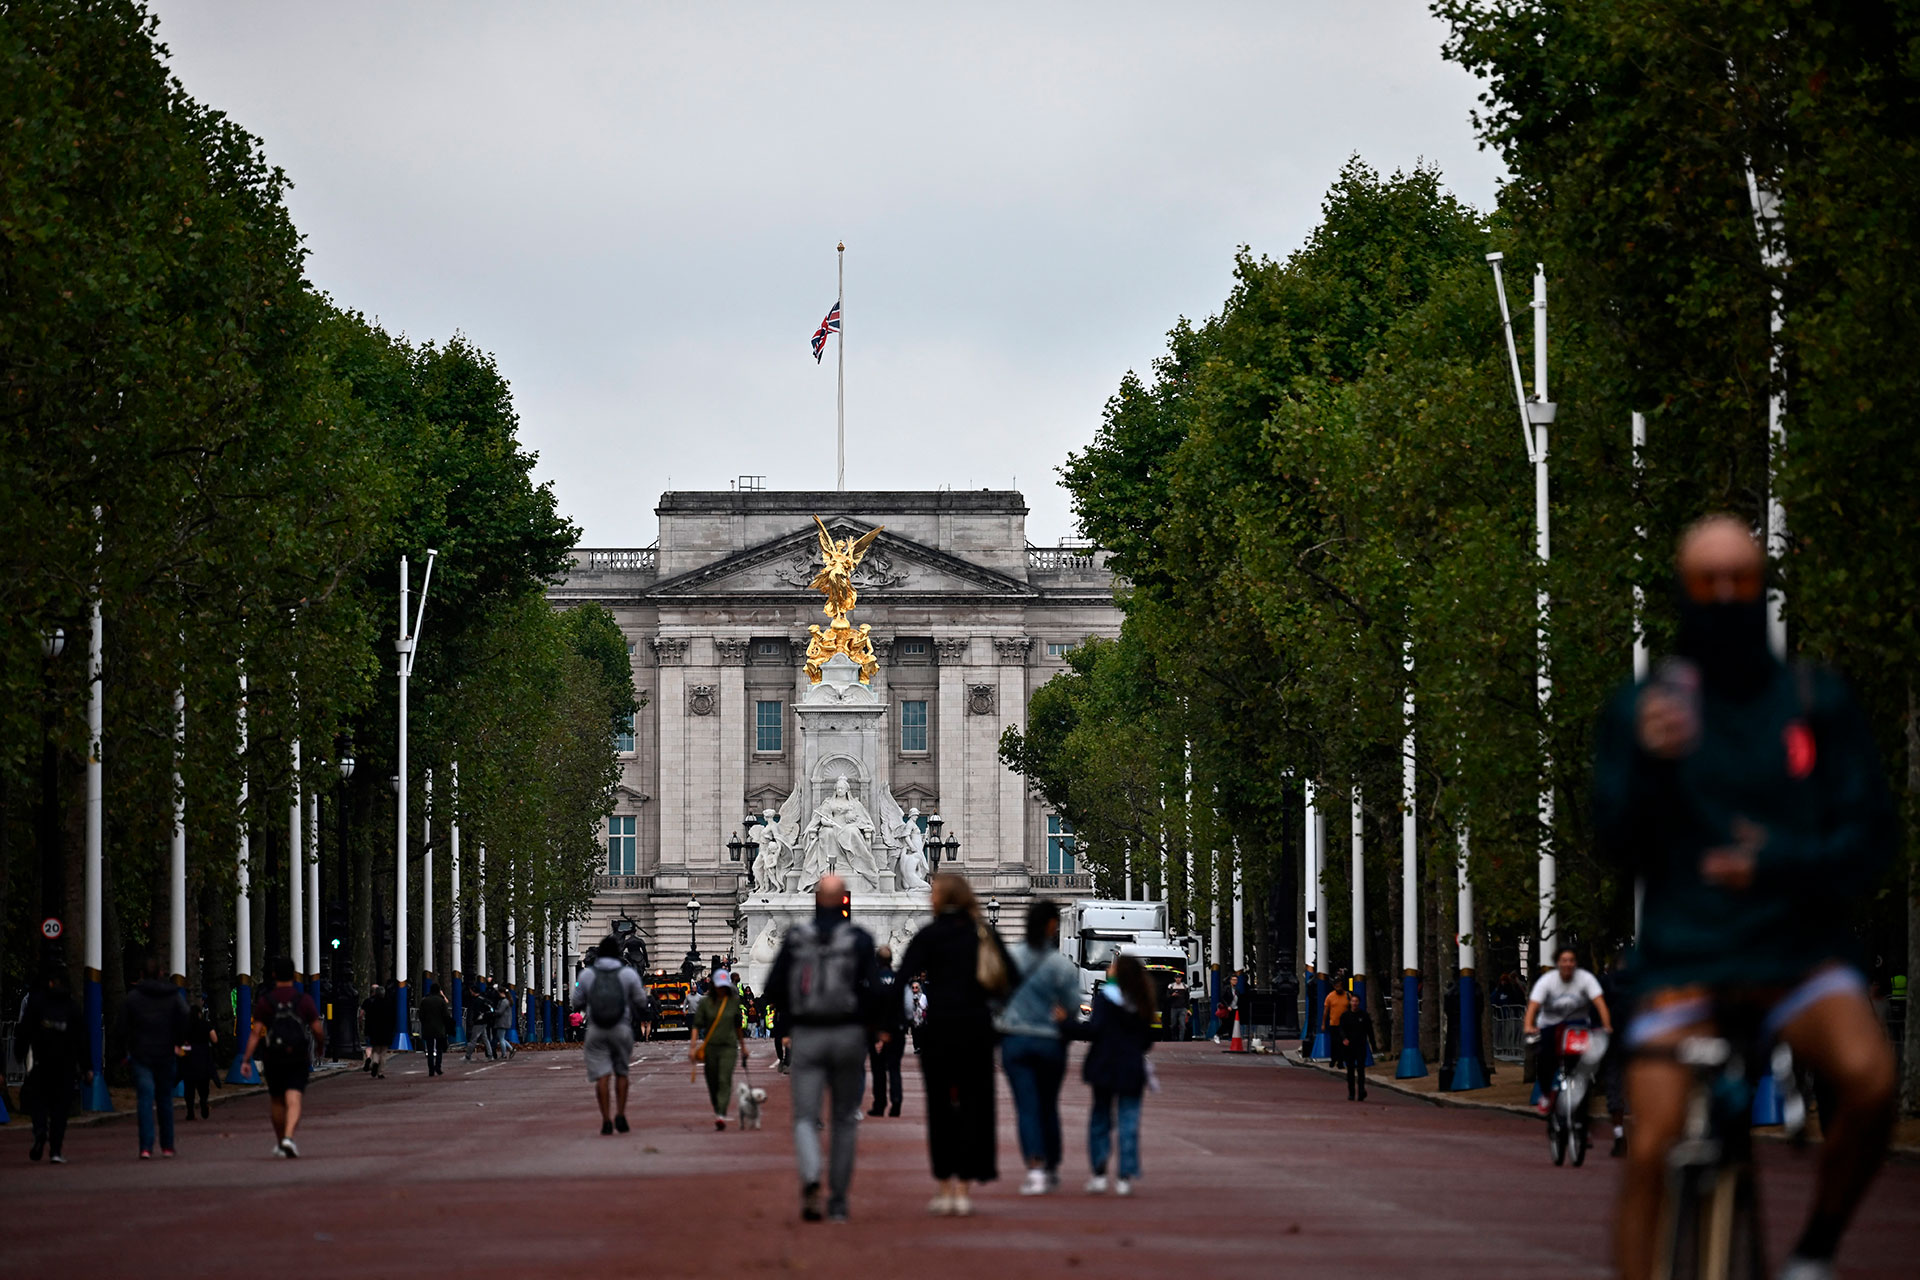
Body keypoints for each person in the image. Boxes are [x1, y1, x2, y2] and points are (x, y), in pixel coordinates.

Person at [1595, 516, 1898, 1280]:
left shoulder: (1813, 700)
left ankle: (1817, 1248)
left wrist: (1777, 864)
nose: (1725, 597)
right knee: (1652, 1142)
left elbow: (1872, 838)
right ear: (1683, 592)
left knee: (1870, 1079)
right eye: (1707, 582)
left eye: (1740, 580)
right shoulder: (1641, 713)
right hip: (1688, 956)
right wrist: (1651, 767)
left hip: (1798, 952)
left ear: (1761, 588)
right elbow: (1615, 842)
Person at [766, 873, 886, 1222]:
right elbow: (875, 991)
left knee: (805, 1117)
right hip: (848, 1035)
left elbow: (773, 989)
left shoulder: (797, 939)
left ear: (815, 900)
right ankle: (838, 1201)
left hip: (808, 1035)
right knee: (845, 1118)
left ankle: (811, 1179)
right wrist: (870, 1026)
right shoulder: (859, 939)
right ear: (844, 899)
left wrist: (792, 1017)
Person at [899, 872, 1011, 1216]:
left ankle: (945, 1184)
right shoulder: (983, 933)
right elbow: (1009, 981)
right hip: (977, 1031)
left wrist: (887, 1024)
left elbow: (900, 978)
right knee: (975, 1107)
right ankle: (964, 1187)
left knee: (940, 1109)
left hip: (940, 1032)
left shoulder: (930, 936)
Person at [996, 899, 1081, 1194]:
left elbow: (995, 998)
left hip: (1015, 1039)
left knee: (1026, 1107)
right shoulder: (1061, 964)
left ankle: (1034, 1167)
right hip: (1048, 1041)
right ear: (1051, 926)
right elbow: (1072, 1007)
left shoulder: (1011, 957)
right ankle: (1052, 1165)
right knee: (1048, 1105)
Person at [1076, 953, 1156, 1196]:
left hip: (1105, 1065)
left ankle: (1099, 1171)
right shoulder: (1142, 1000)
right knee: (1128, 1121)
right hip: (1131, 1067)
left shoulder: (1104, 1000)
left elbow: (1096, 1029)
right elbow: (1146, 1040)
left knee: (1100, 1118)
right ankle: (1125, 1175)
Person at [245, 955, 324, 1158]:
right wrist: (320, 1047)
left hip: (274, 1056)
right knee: (294, 1097)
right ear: (293, 974)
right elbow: (317, 1028)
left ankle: (281, 1141)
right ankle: (289, 1137)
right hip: (297, 1055)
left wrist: (246, 1058)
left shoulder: (266, 1001)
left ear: (273, 975)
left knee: (277, 1100)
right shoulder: (303, 1000)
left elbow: (256, 1032)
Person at [571, 935, 648, 1135]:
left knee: (602, 1076)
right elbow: (641, 1000)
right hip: (621, 1027)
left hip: (596, 1028)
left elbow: (576, 1002)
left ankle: (605, 1118)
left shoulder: (588, 975)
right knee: (622, 1072)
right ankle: (620, 1114)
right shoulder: (628, 974)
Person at [1522, 946, 1613, 1112]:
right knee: (1545, 1060)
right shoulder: (1547, 981)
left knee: (1586, 1060)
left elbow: (1600, 1004)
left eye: (1571, 960)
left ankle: (1586, 1092)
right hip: (1551, 1025)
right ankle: (1546, 1094)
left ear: (1575, 963)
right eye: (1564, 960)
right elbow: (1533, 1007)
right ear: (1558, 963)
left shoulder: (1585, 979)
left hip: (1577, 1025)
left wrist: (1606, 1027)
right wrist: (1529, 1027)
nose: (1568, 964)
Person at [14, 966, 90, 1163]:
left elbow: (24, 1031)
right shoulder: (72, 1007)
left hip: (41, 1062)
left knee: (37, 1100)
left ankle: (40, 1131)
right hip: (66, 1065)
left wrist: (19, 1052)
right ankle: (56, 1149)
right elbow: (82, 1039)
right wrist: (87, 1066)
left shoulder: (37, 1005)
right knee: (60, 1109)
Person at [120, 957, 190, 1159]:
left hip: (141, 1053)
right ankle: (167, 1145)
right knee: (165, 1099)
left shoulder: (133, 998)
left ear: (141, 975)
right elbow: (185, 1017)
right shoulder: (172, 996)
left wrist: (123, 1051)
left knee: (145, 1098)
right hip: (166, 1052)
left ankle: (145, 1146)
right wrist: (179, 1041)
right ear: (161, 973)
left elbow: (121, 1026)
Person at [691, 969, 745, 1130]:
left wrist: (744, 1047)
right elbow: (696, 1025)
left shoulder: (733, 1002)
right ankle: (717, 1106)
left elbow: (738, 1026)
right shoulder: (705, 1003)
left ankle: (721, 1113)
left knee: (724, 1079)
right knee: (712, 1080)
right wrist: (692, 1047)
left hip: (729, 1047)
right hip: (711, 1048)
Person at [867, 945, 908, 1118]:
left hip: (878, 1030)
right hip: (897, 1030)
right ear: (891, 961)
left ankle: (880, 1104)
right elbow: (908, 1006)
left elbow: (868, 1006)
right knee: (894, 1067)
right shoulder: (900, 979)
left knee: (878, 1069)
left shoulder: (872, 980)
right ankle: (896, 1101)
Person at [180, 1000, 219, 1120]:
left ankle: (190, 1111)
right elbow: (214, 1039)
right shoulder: (205, 1024)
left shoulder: (185, 1026)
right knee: (203, 1085)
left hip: (189, 1057)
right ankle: (203, 1101)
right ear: (199, 1014)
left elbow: (181, 1042)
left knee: (189, 1086)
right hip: (203, 1056)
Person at [1336, 991, 1374, 1101]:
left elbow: (1369, 1030)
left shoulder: (1364, 1015)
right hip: (1349, 1046)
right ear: (1350, 1002)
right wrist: (1344, 1039)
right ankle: (1351, 1092)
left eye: (1356, 1001)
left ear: (1359, 1003)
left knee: (1361, 1070)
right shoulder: (1345, 1016)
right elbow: (1341, 1029)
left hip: (1361, 1045)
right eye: (1353, 1001)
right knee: (1350, 1070)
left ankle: (1361, 1090)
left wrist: (1373, 1044)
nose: (1354, 1003)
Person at [418, 981, 453, 1077]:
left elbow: (421, 1015)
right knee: (439, 1049)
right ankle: (438, 1067)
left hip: (428, 1028)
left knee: (429, 1050)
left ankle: (431, 1069)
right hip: (439, 1028)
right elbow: (446, 1015)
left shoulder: (424, 1001)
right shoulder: (441, 1001)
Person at [359, 983, 394, 1078]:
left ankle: (374, 1061)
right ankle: (380, 1072)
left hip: (374, 1030)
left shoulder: (371, 1003)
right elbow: (392, 1018)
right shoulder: (389, 1003)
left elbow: (365, 1016)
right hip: (386, 1030)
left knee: (375, 1049)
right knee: (383, 1052)